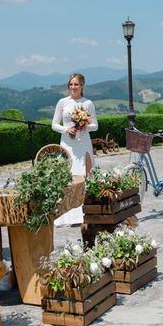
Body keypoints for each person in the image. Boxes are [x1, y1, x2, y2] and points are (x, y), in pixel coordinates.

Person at [51, 73, 98, 226]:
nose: (73, 87)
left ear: (82, 86)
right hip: (67, 144)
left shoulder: (88, 103)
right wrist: (66, 130)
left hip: (83, 143)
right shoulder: (62, 102)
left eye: (76, 84)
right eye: (71, 84)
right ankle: (66, 214)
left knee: (84, 176)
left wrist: (85, 126)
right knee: (68, 177)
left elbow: (95, 126)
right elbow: (54, 125)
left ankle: (83, 213)